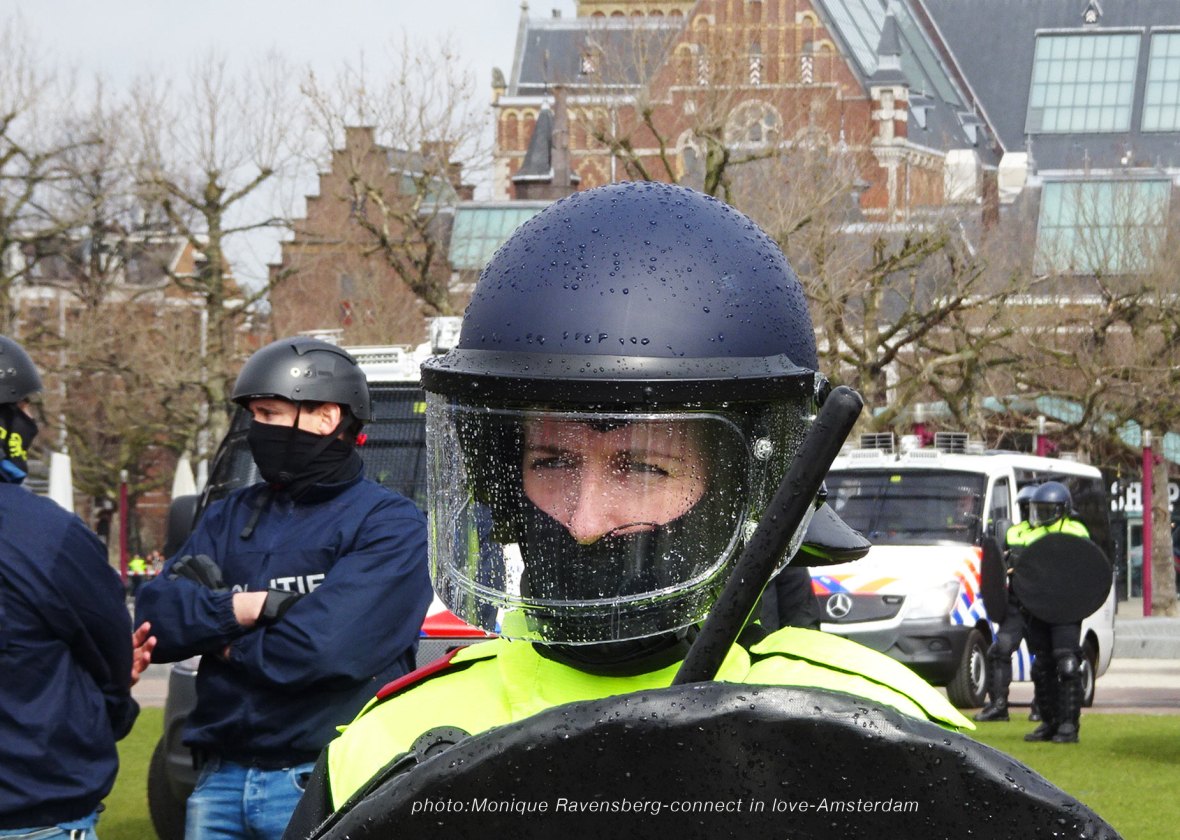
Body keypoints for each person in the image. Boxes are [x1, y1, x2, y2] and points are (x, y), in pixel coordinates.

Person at [282, 182, 972, 831]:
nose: (585, 521)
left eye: (641, 467)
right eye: (552, 461)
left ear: (748, 486)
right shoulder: (386, 746)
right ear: (505, 484)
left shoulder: (870, 733)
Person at [136, 337, 433, 840]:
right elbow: (156, 618)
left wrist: (220, 641)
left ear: (326, 417)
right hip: (218, 780)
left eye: (270, 414)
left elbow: (322, 651)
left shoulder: (391, 525)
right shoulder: (229, 514)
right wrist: (247, 607)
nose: (258, 430)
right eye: (254, 416)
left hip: (321, 781)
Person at [0, 335, 147, 840]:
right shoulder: (47, 534)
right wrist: (115, 706)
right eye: (22, 407)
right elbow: (112, 656)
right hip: (34, 815)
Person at [1017, 480, 1090, 743]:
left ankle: (1069, 725)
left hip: (1067, 607)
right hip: (1039, 606)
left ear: (1062, 509)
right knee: (1042, 665)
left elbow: (1085, 567)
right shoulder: (1031, 535)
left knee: (1067, 662)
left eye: (1048, 509)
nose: (1042, 515)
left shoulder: (1076, 531)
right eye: (1040, 509)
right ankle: (1049, 722)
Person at [975, 483, 1039, 722]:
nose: (1031, 512)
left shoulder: (1052, 533)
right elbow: (998, 562)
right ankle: (999, 705)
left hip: (1041, 606)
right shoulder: (1013, 533)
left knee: (1046, 657)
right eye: (1027, 508)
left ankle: (1043, 707)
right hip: (1016, 604)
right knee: (999, 649)